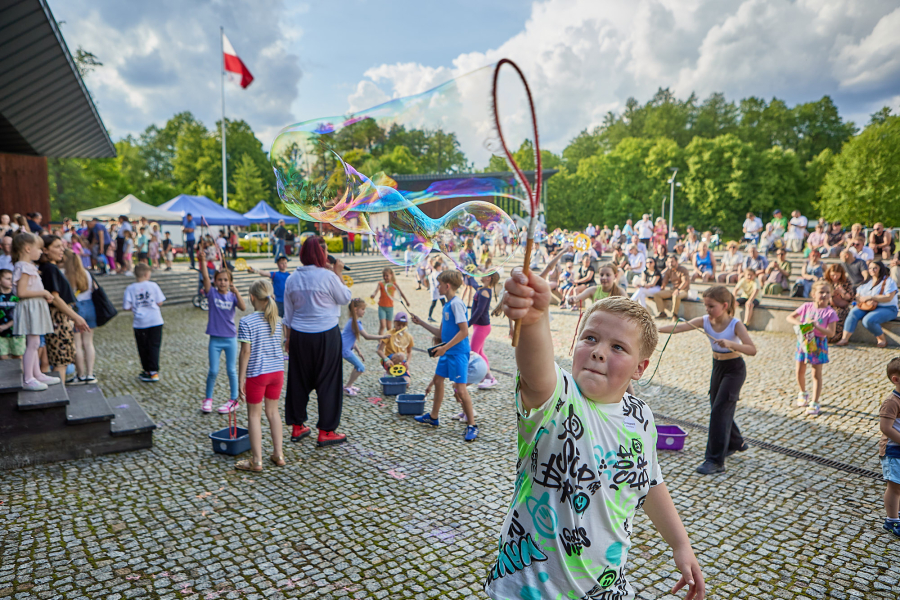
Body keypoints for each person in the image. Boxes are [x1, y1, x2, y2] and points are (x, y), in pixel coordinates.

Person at [493, 280, 705, 600]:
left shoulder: (640, 416)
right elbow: (536, 375)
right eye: (590, 338)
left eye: (618, 347)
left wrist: (681, 544)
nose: (599, 351)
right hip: (531, 592)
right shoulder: (559, 400)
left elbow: (648, 482)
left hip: (607, 590)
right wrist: (536, 320)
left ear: (640, 368)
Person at [659, 286, 757, 474]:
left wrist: (730, 344)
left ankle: (715, 461)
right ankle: (735, 442)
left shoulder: (735, 324)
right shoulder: (705, 321)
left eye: (711, 306)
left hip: (734, 369)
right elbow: (680, 327)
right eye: (706, 306)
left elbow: (752, 349)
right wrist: (654, 329)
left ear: (725, 305)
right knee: (717, 406)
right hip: (718, 367)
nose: (707, 310)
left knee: (720, 410)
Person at [284, 236, 351, 447]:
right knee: (329, 381)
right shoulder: (328, 277)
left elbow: (288, 314)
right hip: (326, 334)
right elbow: (345, 298)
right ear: (321, 254)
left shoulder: (292, 278)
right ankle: (326, 430)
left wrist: (288, 339)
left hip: (299, 335)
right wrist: (338, 273)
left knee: (298, 381)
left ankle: (297, 426)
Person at [413, 270, 478, 442]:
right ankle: (433, 417)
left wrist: (444, 348)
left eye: (439, 284)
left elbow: (464, 332)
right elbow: (441, 332)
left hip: (457, 353)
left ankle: (472, 425)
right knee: (438, 380)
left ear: (447, 286)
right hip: (447, 351)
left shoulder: (456, 304)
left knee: (461, 390)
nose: (437, 286)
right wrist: (421, 323)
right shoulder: (447, 305)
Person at [233, 279, 286, 472]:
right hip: (277, 372)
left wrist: (241, 379)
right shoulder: (277, 320)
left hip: (257, 374)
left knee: (254, 416)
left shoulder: (247, 321)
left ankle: (257, 461)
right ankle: (278, 454)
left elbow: (245, 352)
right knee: (273, 412)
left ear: (252, 297)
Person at [39, 235, 89, 384]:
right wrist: (76, 317)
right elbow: (55, 298)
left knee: (60, 360)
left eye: (62, 246)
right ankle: (58, 395)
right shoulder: (50, 268)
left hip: (60, 316)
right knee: (60, 361)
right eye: (57, 246)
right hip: (58, 318)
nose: (62, 250)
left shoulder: (50, 267)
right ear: (45, 250)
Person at [199, 255, 245, 412]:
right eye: (220, 280)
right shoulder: (212, 294)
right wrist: (203, 261)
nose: (223, 282)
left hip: (230, 338)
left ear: (230, 282)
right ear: (215, 281)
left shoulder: (232, 296)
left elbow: (244, 307)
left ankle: (234, 399)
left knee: (232, 370)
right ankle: (208, 399)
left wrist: (236, 291)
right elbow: (205, 276)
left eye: (226, 280)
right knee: (213, 370)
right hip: (215, 339)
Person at [11, 234, 56, 390]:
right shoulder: (24, 267)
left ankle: (36, 374)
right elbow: (21, 292)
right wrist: (43, 293)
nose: (41, 252)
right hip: (30, 307)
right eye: (38, 248)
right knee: (34, 342)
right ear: (28, 248)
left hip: (33, 306)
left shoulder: (27, 266)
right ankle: (29, 378)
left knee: (35, 342)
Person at [786, 281, 838, 417]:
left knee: (816, 374)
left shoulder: (830, 312)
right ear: (813, 294)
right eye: (821, 292)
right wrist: (802, 324)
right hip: (804, 342)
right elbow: (790, 317)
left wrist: (816, 326)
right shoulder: (806, 306)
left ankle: (815, 401)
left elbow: (831, 333)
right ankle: (803, 393)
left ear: (831, 294)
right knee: (799, 370)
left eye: (827, 292)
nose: (824, 295)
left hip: (819, 344)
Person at [835, 261, 898, 348]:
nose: (872, 270)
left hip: (888, 308)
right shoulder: (867, 281)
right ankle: (845, 338)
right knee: (853, 313)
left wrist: (871, 297)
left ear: (881, 269)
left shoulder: (888, 281)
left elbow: (889, 297)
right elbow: (858, 295)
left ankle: (881, 339)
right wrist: (864, 300)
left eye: (875, 268)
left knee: (868, 320)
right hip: (868, 306)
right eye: (870, 268)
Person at [123, 264, 166, 383]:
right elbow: (160, 302)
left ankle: (147, 370)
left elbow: (126, 307)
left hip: (140, 322)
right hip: (155, 320)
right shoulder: (153, 285)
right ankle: (154, 371)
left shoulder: (130, 288)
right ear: (147, 274)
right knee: (154, 345)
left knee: (143, 347)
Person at [341, 298, 389, 396]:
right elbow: (367, 336)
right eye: (362, 309)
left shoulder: (352, 321)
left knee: (357, 366)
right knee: (361, 367)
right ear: (355, 310)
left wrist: (359, 351)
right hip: (344, 350)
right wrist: (383, 336)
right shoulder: (355, 323)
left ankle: (349, 385)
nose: (364, 311)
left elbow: (350, 340)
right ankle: (348, 387)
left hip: (345, 349)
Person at [65, 251, 98, 384]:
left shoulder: (66, 275)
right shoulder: (87, 274)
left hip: (75, 308)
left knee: (77, 344)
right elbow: (93, 289)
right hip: (90, 307)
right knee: (88, 342)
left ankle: (81, 374)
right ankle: (90, 374)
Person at [878, 357, 900, 539]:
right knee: (895, 487)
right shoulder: (892, 402)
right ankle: (891, 521)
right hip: (893, 451)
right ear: (896, 379)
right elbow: (885, 427)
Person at [469, 272, 499, 389]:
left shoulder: (485, 291)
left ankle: (487, 377)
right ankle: (488, 378)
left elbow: (479, 311)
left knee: (474, 352)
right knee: (480, 353)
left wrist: (468, 323)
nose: (482, 275)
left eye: (485, 274)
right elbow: (474, 285)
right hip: (479, 326)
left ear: (488, 278)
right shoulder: (483, 289)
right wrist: (469, 277)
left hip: (482, 327)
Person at [371, 268, 409, 334]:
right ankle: (380, 341)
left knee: (389, 327)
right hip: (382, 307)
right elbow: (376, 291)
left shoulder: (394, 284)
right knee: (383, 326)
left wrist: (406, 301)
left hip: (390, 307)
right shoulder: (381, 284)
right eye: (384, 276)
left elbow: (401, 293)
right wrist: (373, 295)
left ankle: (389, 341)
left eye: (387, 275)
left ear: (391, 275)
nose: (385, 277)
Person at [375, 312, 414, 377]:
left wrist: (408, 362)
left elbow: (409, 352)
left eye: (403, 325)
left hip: (401, 361)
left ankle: (398, 373)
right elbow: (379, 350)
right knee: (401, 355)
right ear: (394, 323)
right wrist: (386, 359)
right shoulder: (389, 334)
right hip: (388, 360)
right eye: (398, 325)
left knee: (406, 383)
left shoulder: (408, 336)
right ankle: (389, 373)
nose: (401, 327)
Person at [823, 263, 854, 344]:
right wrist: (831, 294)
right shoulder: (825, 281)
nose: (835, 277)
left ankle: (835, 337)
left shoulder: (846, 281)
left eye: (837, 275)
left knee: (839, 314)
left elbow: (850, 298)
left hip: (840, 306)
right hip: (827, 304)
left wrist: (842, 292)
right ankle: (823, 335)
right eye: (833, 275)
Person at [0, 269, 25, 360]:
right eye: (8, 279)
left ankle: (19, 374)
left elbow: (20, 315)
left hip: (16, 332)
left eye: (12, 278)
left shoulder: (16, 296)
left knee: (18, 356)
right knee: (3, 357)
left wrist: (6, 326)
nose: (11, 281)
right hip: (1, 334)